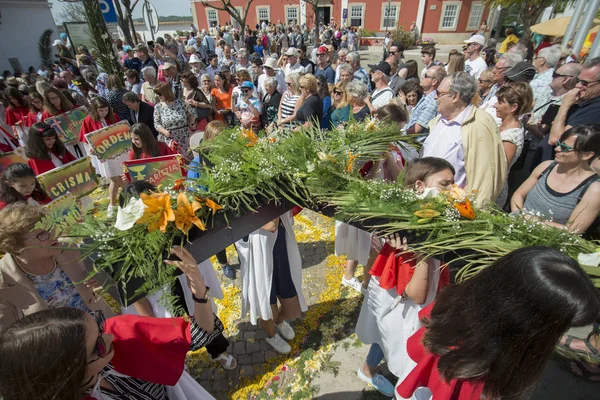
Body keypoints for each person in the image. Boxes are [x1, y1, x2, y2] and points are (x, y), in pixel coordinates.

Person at [0, 247, 218, 399]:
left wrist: (199, 290)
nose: (110, 336)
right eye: (98, 346)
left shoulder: (120, 333)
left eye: (97, 322)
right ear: (68, 372)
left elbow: (199, 333)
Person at [396, 246, 600, 399]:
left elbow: (415, 349)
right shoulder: (479, 380)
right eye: (558, 327)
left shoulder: (459, 304)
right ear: (524, 323)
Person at [355, 158, 454, 397]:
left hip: (402, 291)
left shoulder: (429, 216)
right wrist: (425, 252)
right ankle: (381, 374)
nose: (453, 191)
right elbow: (417, 295)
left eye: (454, 183)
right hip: (402, 292)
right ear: (420, 187)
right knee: (395, 336)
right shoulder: (412, 224)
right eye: (445, 184)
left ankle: (370, 368)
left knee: (387, 332)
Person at [0, 203, 114, 333]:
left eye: (51, 227)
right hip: (64, 347)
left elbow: (99, 277)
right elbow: (7, 335)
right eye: (42, 234)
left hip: (103, 325)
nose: (54, 234)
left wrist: (98, 277)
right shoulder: (3, 281)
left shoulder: (68, 248)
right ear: (16, 247)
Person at [422, 72, 507, 206]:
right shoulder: (438, 120)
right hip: (426, 201)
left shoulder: (479, 124)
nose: (435, 97)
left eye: (439, 93)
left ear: (455, 96)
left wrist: (471, 211)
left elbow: (484, 178)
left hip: (452, 209)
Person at [235, 211, 307, 354]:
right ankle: (271, 335)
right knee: (267, 306)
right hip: (256, 249)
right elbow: (270, 225)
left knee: (293, 310)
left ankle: (278, 321)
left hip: (279, 244)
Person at [511, 125, 600, 234]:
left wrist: (532, 221)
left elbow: (573, 230)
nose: (557, 149)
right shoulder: (545, 167)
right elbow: (518, 195)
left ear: (587, 155)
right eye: (559, 144)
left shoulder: (593, 189)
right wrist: (517, 215)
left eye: (565, 148)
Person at [79, 97, 125, 213]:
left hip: (117, 152)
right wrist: (91, 148)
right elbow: (85, 139)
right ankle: (112, 204)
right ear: (95, 110)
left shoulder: (113, 116)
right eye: (101, 111)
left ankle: (128, 198)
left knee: (122, 176)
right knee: (114, 178)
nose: (104, 113)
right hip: (104, 155)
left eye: (106, 110)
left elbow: (121, 131)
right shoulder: (88, 120)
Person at [493, 82, 533, 208]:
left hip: (493, 189)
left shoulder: (511, 137)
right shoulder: (505, 125)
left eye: (500, 102)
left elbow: (499, 170)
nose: (495, 105)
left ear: (513, 107)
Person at [549, 58, 600, 146]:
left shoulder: (596, 109)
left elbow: (557, 139)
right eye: (578, 81)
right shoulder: (582, 102)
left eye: (584, 83)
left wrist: (564, 106)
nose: (578, 85)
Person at [153, 82, 195, 160]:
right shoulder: (158, 107)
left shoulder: (181, 103)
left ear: (166, 93)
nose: (158, 96)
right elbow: (157, 124)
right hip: (170, 138)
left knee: (189, 160)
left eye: (160, 94)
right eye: (157, 94)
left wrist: (191, 123)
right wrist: (165, 132)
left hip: (184, 136)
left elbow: (192, 113)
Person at [478, 53, 522, 125]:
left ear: (510, 70)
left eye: (498, 68)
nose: (493, 71)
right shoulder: (495, 86)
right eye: (494, 67)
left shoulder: (513, 92)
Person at [406, 66, 446, 135]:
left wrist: (399, 133)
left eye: (426, 76)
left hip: (415, 142)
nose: (422, 77)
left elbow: (416, 130)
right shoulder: (426, 96)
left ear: (434, 81)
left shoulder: (432, 102)